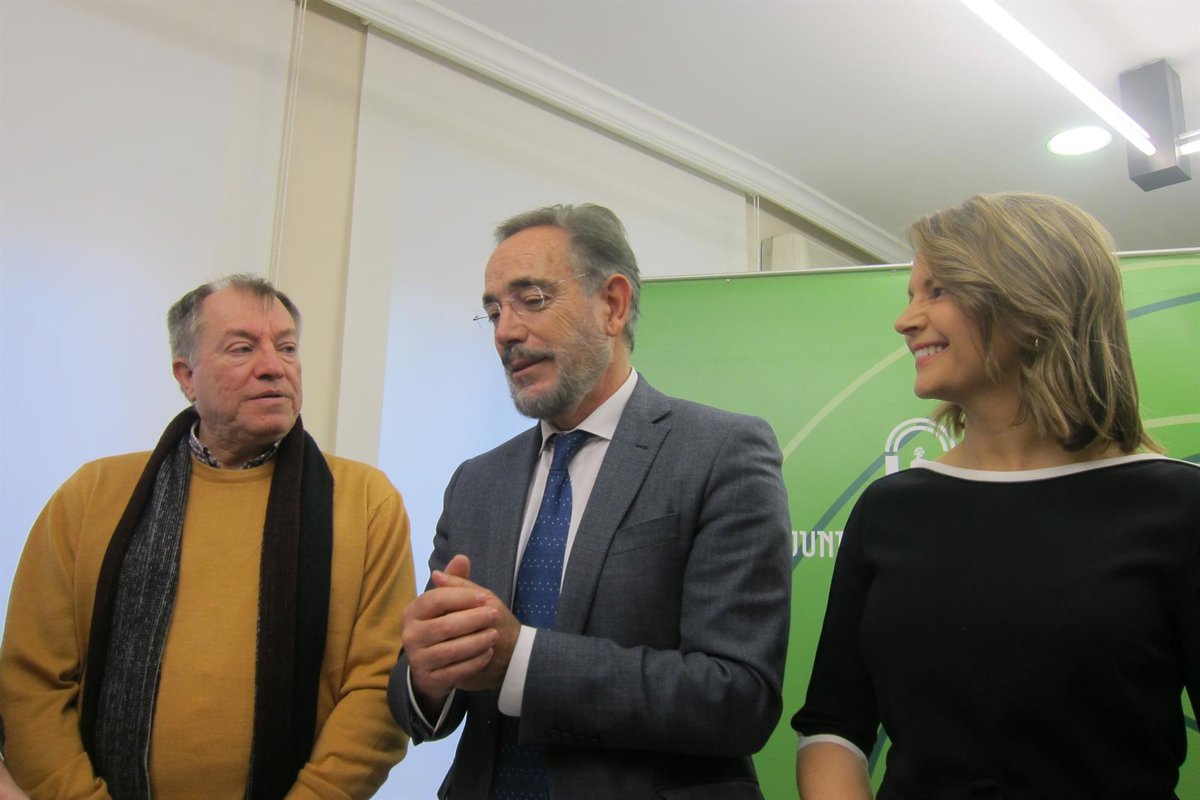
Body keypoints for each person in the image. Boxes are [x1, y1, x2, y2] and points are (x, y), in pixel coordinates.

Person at [792, 193, 1200, 799]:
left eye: (937, 291)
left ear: (1031, 300)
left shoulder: (1178, 506)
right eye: (911, 294)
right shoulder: (890, 509)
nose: (905, 320)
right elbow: (833, 727)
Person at [388, 203, 792, 799]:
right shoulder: (476, 482)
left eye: (532, 299)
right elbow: (419, 704)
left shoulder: (720, 453)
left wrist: (522, 661)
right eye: (494, 311)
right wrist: (426, 673)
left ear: (613, 305)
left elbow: (737, 696)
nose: (505, 332)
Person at [0, 275, 417, 799]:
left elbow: (379, 686)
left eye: (287, 347)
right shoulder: (93, 496)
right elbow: (31, 681)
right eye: (242, 348)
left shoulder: (364, 502)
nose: (274, 366)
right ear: (186, 376)